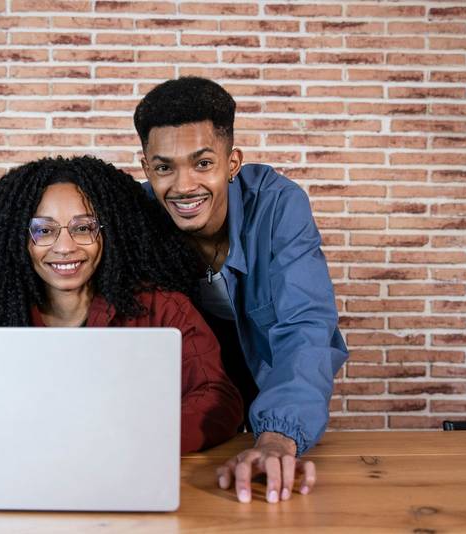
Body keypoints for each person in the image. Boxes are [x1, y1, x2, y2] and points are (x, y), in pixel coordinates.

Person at [0, 155, 244, 454]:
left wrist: (133, 438)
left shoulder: (162, 308)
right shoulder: (0, 316)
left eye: (83, 228)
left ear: (108, 234)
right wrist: (0, 435)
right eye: (44, 231)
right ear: (21, 240)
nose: (64, 247)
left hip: (122, 471)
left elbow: (219, 399)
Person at [133, 77, 349, 504]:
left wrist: (277, 437)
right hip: (191, 398)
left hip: (272, 384)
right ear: (145, 169)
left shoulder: (279, 207)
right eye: (164, 167)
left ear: (232, 163)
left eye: (202, 164)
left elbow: (306, 326)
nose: (183, 185)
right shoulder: (135, 218)